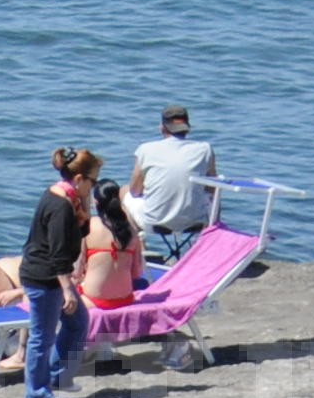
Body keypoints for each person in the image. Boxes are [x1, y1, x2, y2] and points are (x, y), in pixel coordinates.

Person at [16, 151, 94, 398]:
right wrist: (68, 290)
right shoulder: (61, 205)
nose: (93, 186)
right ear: (80, 178)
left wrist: (86, 198)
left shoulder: (70, 199)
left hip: (52, 274)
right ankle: (37, 393)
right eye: (92, 182)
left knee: (78, 322)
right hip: (44, 276)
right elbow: (58, 253)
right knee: (42, 336)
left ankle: (55, 377)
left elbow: (84, 230)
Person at [125, 108, 221, 262]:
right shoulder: (205, 149)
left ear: (162, 127)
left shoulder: (145, 149)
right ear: (187, 127)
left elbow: (135, 191)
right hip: (195, 221)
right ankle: (205, 248)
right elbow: (212, 188)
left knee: (124, 192)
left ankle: (140, 248)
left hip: (154, 221)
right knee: (216, 194)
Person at [77, 160, 143, 313]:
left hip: (92, 299)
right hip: (124, 299)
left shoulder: (89, 226)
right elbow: (137, 273)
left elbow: (76, 271)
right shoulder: (131, 231)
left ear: (96, 202)